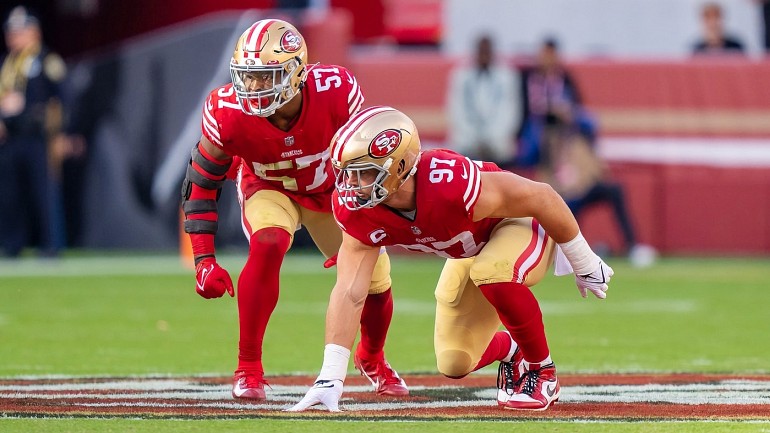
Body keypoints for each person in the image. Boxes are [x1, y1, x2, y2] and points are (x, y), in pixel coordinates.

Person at [289, 106, 614, 412]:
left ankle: (544, 374)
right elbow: (349, 291)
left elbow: (541, 196)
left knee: (492, 270)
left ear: (400, 166)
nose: (351, 186)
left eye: (363, 173)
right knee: (454, 361)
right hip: (471, 249)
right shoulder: (357, 210)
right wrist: (330, 378)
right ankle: (514, 352)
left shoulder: (447, 183)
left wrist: (582, 259)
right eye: (347, 173)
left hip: (514, 225)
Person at [181, 19, 407, 401]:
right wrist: (204, 259)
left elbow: (362, 162)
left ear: (295, 72)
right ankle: (248, 369)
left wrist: (368, 219)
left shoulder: (335, 92)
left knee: (375, 280)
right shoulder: (228, 112)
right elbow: (201, 181)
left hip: (330, 192)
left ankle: (373, 357)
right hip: (269, 187)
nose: (252, 88)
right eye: (247, 77)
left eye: (265, 76)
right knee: (268, 243)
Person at [0, 5, 68, 257]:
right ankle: (11, 246)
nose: (14, 37)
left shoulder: (45, 60)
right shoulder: (6, 64)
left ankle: (50, 246)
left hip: (37, 137)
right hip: (10, 138)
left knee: (43, 192)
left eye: (20, 31)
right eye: (11, 32)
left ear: (34, 32)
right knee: (9, 195)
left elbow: (63, 96)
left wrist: (61, 132)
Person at [516, 37, 596, 169]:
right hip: (537, 119)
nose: (547, 59)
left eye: (550, 55)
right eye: (544, 54)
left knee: (589, 120)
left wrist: (565, 110)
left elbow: (575, 102)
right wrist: (548, 108)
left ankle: (589, 153)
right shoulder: (527, 77)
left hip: (562, 119)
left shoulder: (564, 76)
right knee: (530, 148)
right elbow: (524, 105)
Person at [446, 34, 521, 166]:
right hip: (467, 142)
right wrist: (474, 139)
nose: (484, 55)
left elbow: (511, 113)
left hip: (497, 144)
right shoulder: (460, 75)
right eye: (481, 51)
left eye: (487, 51)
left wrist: (490, 139)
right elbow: (456, 111)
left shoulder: (507, 76)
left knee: (503, 152)